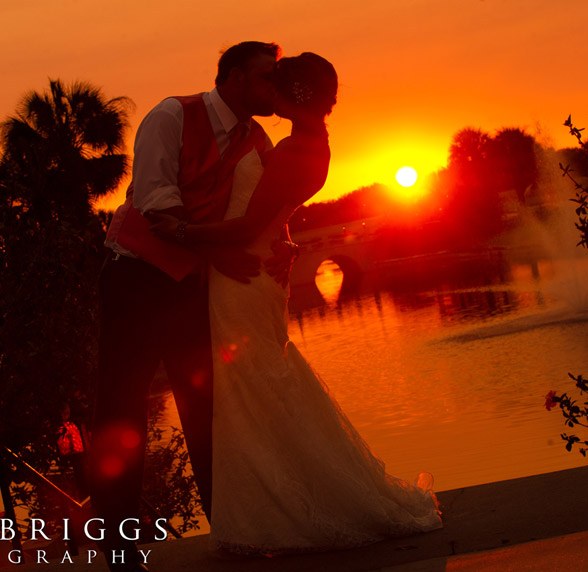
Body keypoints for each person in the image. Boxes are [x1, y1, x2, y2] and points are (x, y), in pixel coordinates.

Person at [148, 52, 442, 557]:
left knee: (252, 391)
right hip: (247, 271)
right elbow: (264, 215)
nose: (267, 95)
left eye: (275, 85)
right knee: (256, 390)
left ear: (294, 95)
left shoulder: (295, 150)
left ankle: (278, 515)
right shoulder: (299, 145)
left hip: (242, 278)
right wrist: (281, 239)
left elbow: (245, 224)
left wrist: (178, 231)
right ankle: (265, 513)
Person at [91, 41, 296, 572]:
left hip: (192, 285)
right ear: (231, 78)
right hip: (136, 277)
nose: (276, 88)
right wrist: (221, 254)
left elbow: (261, 207)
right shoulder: (171, 115)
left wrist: (283, 245)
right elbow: (157, 204)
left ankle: (231, 531)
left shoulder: (257, 138)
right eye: (266, 78)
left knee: (207, 411)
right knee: (121, 409)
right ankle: (119, 548)